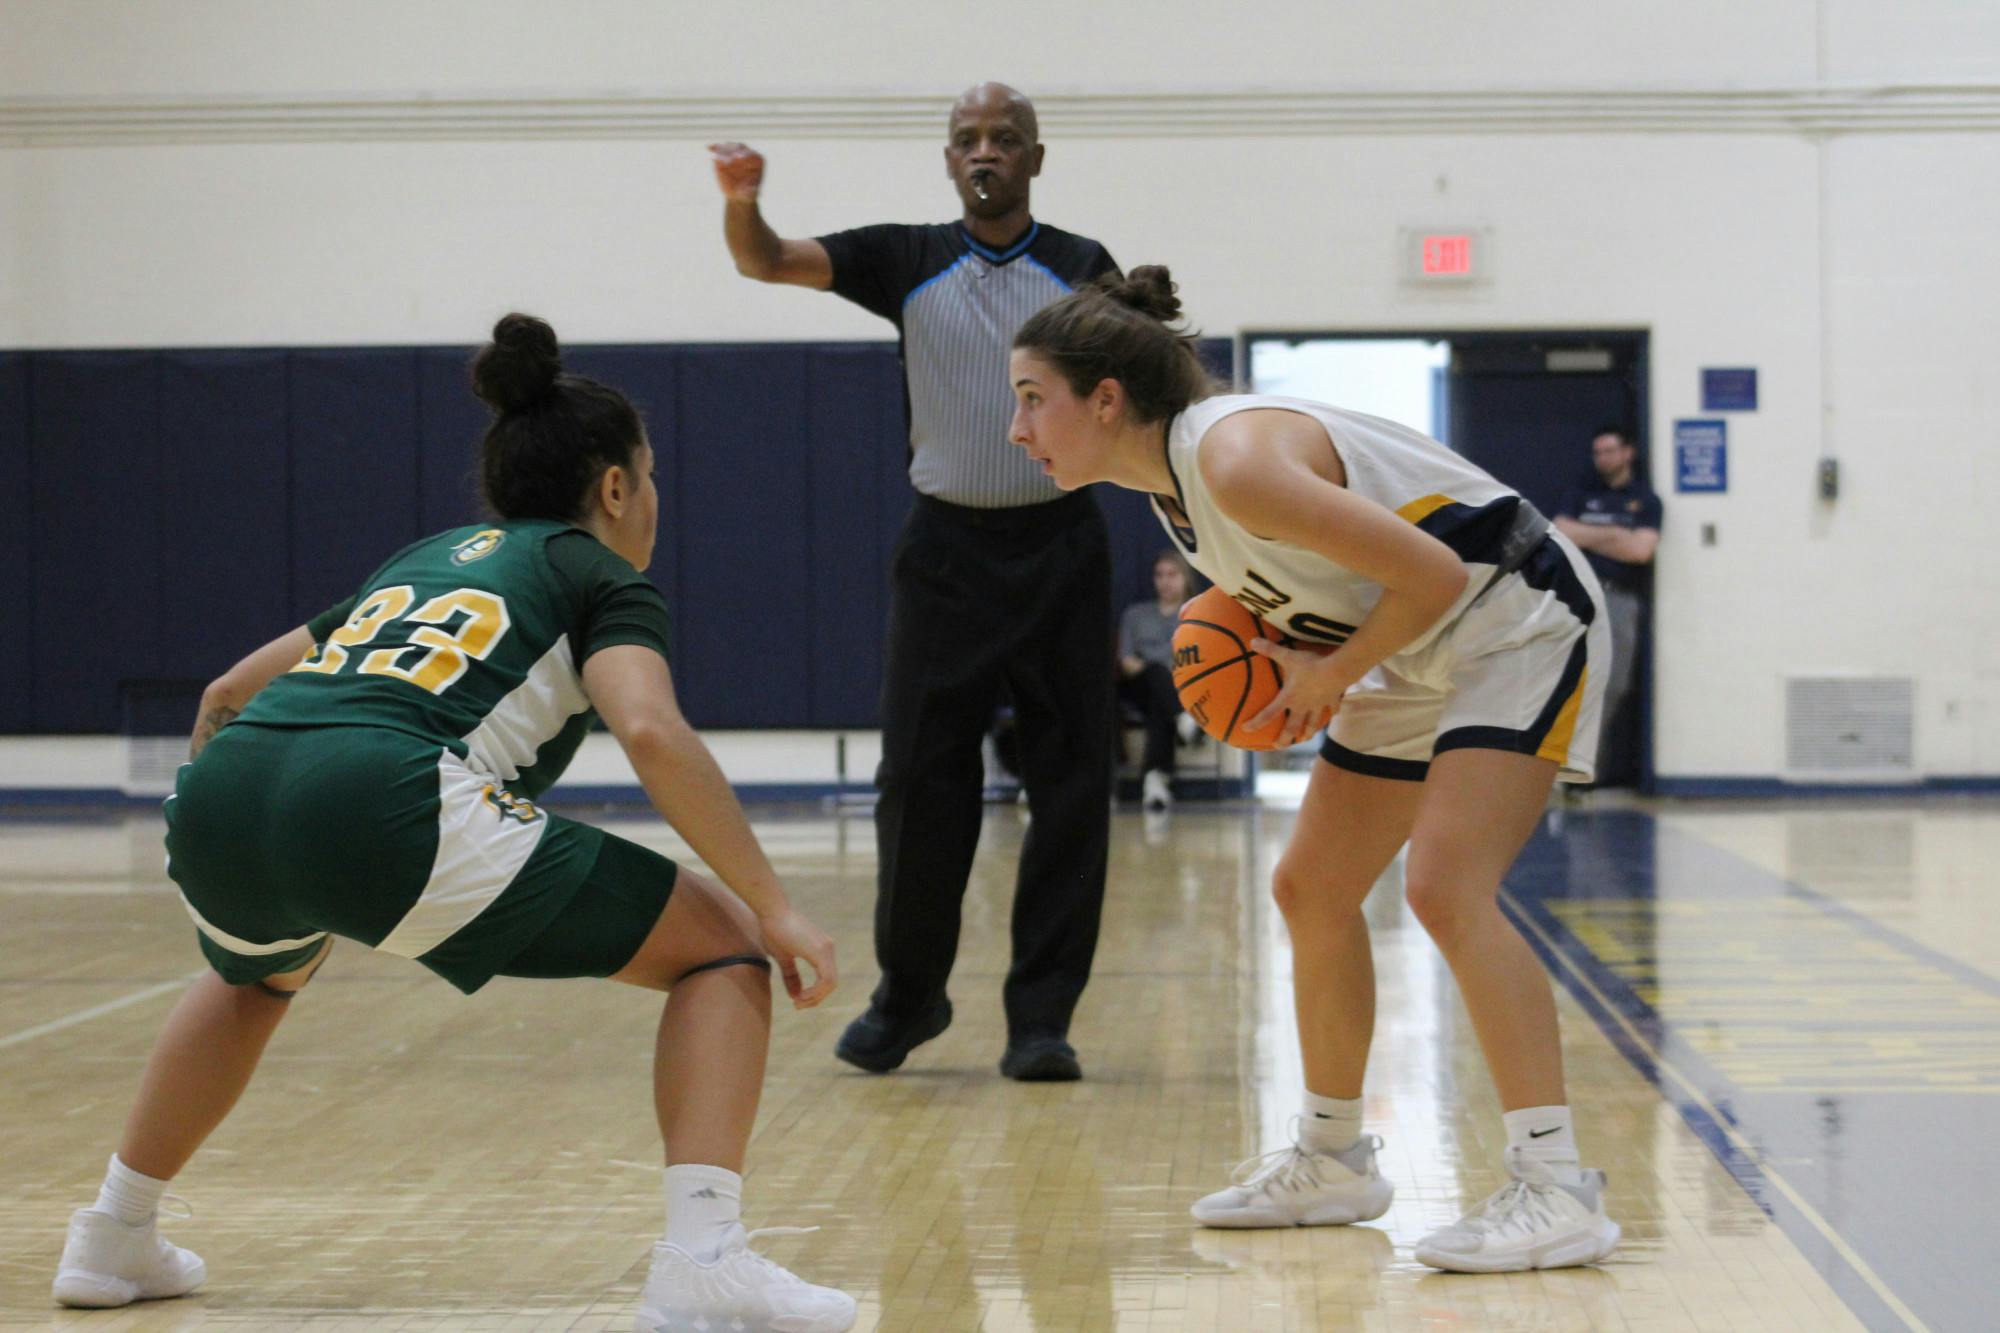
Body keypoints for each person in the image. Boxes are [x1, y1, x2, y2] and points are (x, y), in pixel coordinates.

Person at [49, 315, 856, 1332]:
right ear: (613, 487)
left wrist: (258, 816)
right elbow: (648, 727)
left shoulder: (428, 556)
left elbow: (225, 688)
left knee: (256, 975)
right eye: (648, 479)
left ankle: (114, 1230)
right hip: (383, 792)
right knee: (724, 952)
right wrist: (773, 904)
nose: (653, 500)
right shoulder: (597, 572)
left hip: (224, 793)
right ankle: (701, 1258)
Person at [1007, 267, 1621, 1273]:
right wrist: (1289, 656)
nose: (1017, 428)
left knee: (1444, 884)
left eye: (1031, 400)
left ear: (1103, 399)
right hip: (1423, 640)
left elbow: (1430, 569)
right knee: (1310, 886)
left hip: (1516, 612)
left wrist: (1323, 673)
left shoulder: (1233, 456)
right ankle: (1334, 1157)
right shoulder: (1173, 485)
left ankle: (1556, 1184)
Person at [709, 83, 1120, 1082]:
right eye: (968, 139)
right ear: (947, 161)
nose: (985, 152)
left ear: (1034, 158)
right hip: (946, 555)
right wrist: (740, 198)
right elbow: (764, 260)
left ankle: (1040, 1018)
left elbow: (1139, 385)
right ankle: (909, 997)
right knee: (918, 787)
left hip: (1062, 546)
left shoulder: (1082, 270)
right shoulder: (904, 259)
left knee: (1069, 786)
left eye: (1004, 139)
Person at [1553, 427, 1661, 787]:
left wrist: (1591, 537)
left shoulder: (1644, 501)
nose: (1603, 459)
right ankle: (1553, 766)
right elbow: (1561, 531)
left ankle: (1583, 773)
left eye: (1610, 451)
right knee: (1563, 680)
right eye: (1598, 452)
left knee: (1613, 684)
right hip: (1574, 596)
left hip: (1619, 599)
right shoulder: (1581, 495)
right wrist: (1615, 535)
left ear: (1627, 452)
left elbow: (1640, 551)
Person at [1118, 549, 1195, 810]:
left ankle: (1155, 780)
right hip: (1140, 683)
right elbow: (1127, 661)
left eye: (1172, 574)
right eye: (1159, 575)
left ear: (1185, 578)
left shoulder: (1196, 615)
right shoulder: (1135, 614)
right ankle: (1184, 718)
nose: (1165, 581)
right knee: (1156, 673)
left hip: (1181, 686)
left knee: (1158, 704)